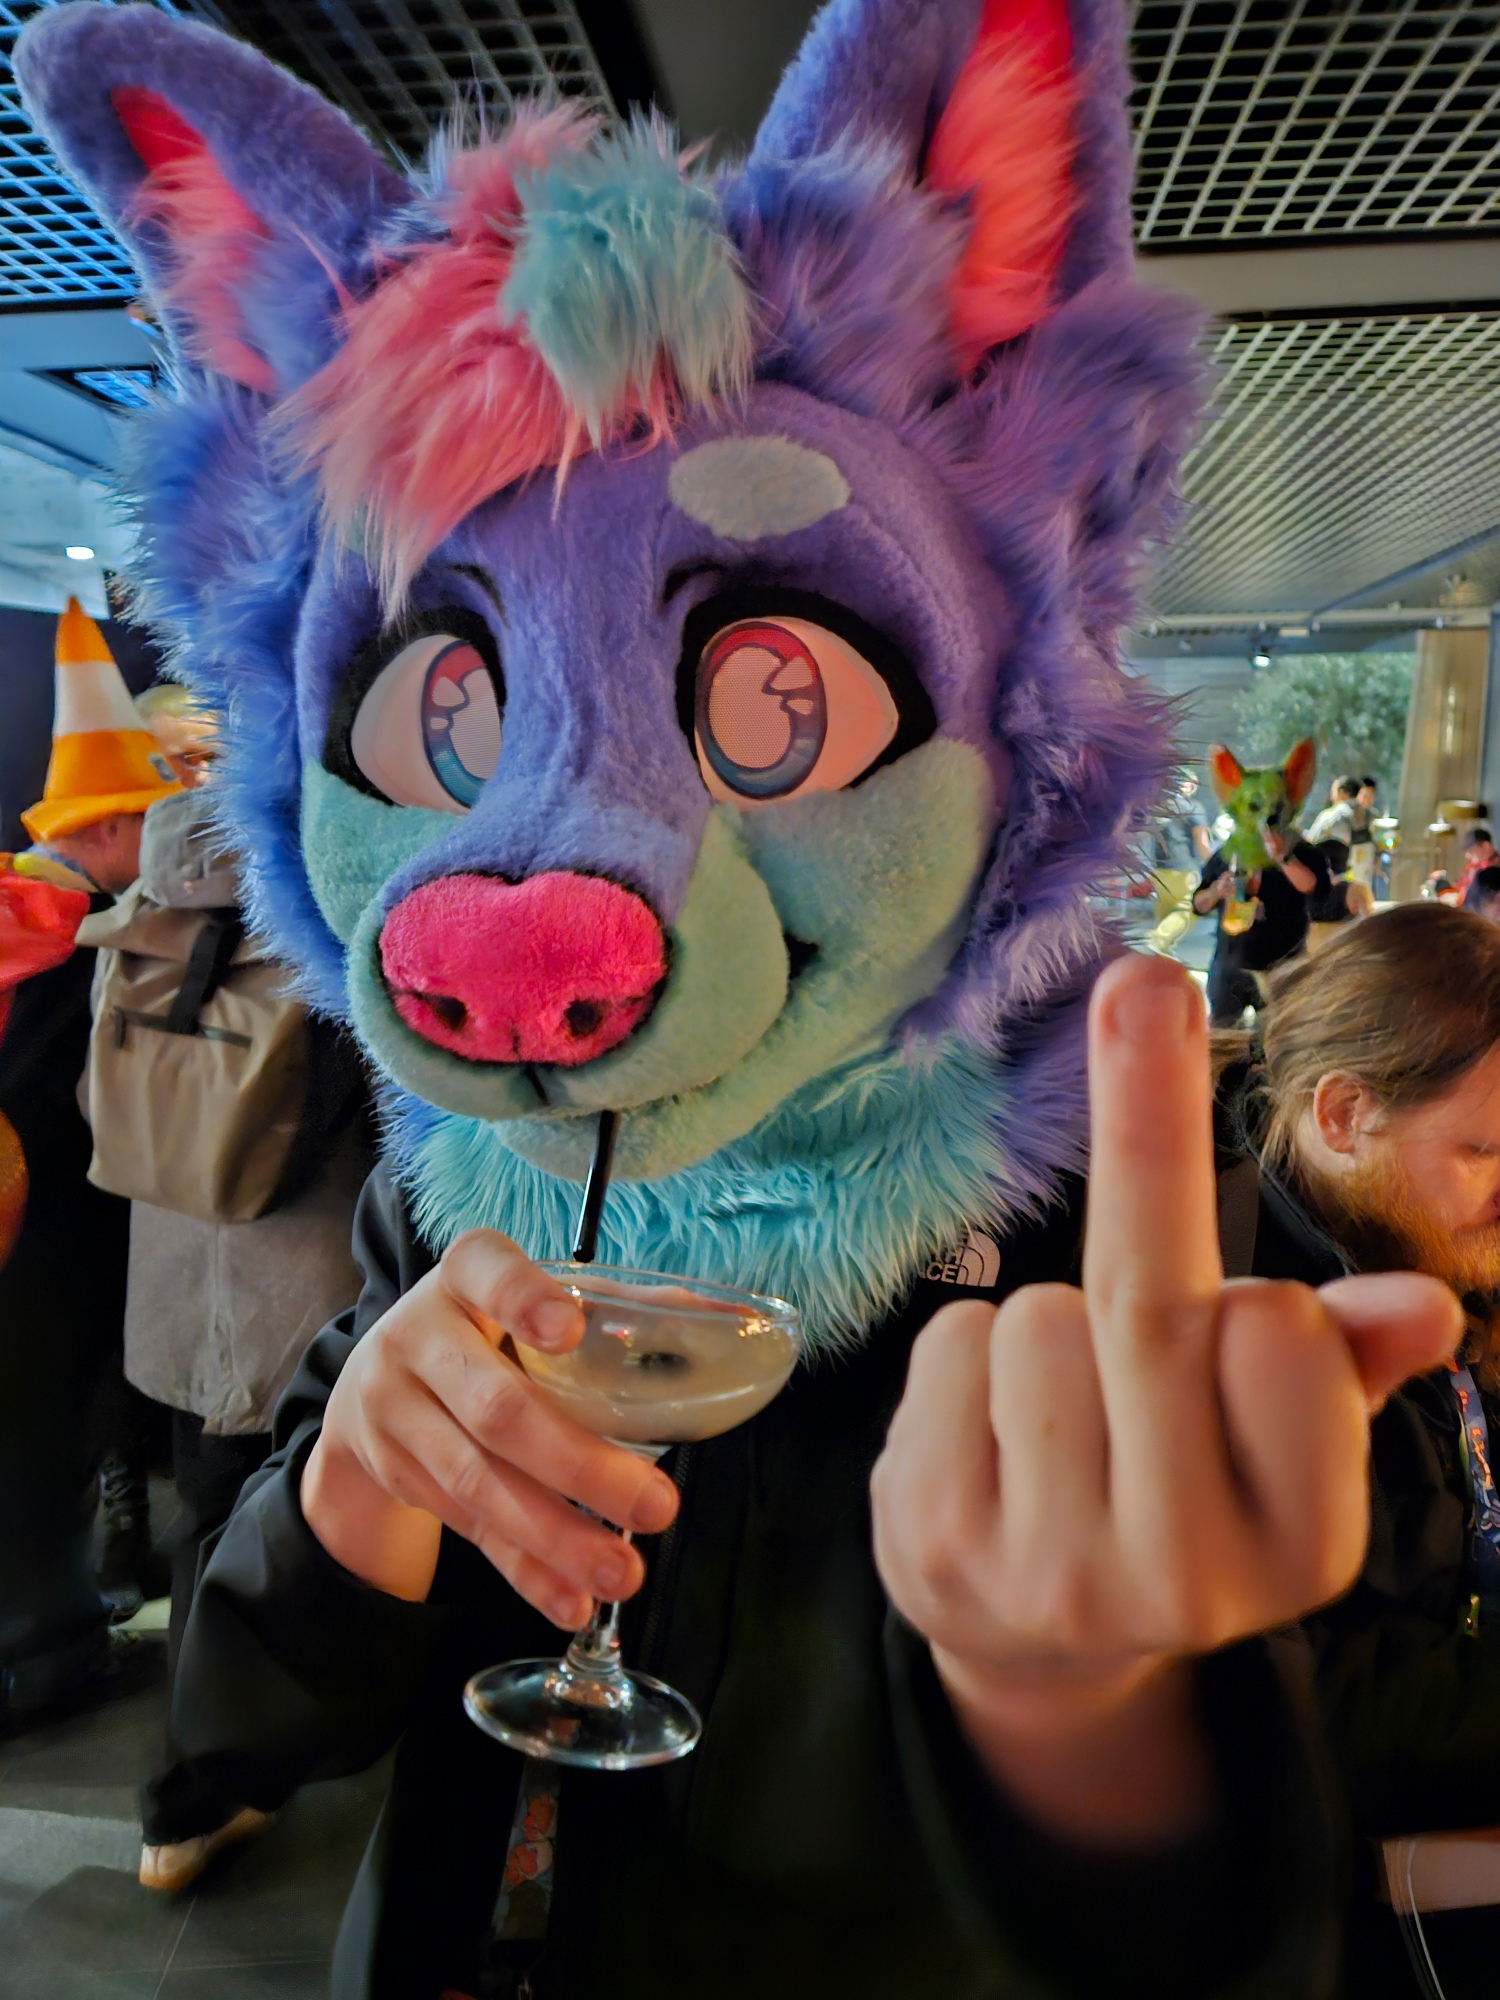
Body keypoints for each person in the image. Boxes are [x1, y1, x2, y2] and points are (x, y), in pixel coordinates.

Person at [0, 600, 179, 1720]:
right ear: (107, 828)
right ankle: (47, 1657)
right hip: (46, 1248)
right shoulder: (84, 942)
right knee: (36, 1447)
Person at [1192, 821, 1328, 1024]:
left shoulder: (1301, 852)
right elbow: (1198, 905)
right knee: (1222, 1031)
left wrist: (1282, 857)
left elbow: (1314, 888)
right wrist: (1216, 891)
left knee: (1282, 1031)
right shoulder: (1228, 855)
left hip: (1282, 966)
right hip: (1229, 965)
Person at [1307, 773, 1360, 847]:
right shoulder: (1369, 815)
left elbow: (1312, 839)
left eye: (1333, 792)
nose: (1331, 797)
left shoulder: (1331, 814)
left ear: (1341, 792)